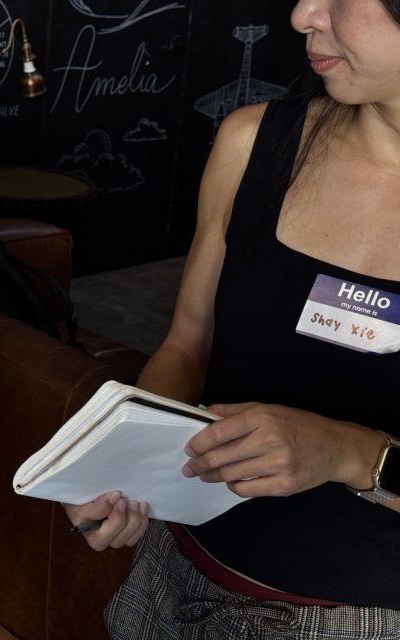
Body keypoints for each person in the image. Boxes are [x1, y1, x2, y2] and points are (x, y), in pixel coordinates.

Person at [64, 0, 400, 637]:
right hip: (176, 572)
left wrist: (349, 453)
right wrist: (117, 464)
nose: (302, 15)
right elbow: (188, 346)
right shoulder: (253, 141)